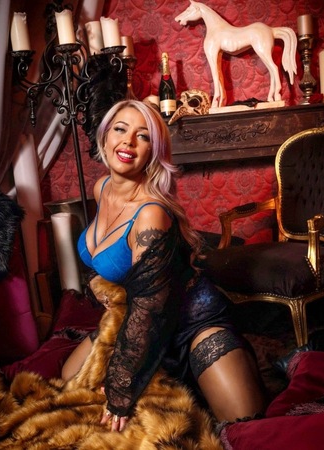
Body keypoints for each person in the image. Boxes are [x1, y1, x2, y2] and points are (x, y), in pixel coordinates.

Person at [61, 99, 266, 431]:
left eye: (142, 136)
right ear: (105, 137)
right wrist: (99, 284)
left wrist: (121, 388)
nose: (128, 142)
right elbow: (110, 258)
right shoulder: (102, 188)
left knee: (245, 422)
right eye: (120, 129)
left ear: (153, 152)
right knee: (68, 379)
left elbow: (151, 309)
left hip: (190, 323)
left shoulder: (151, 214)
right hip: (134, 316)